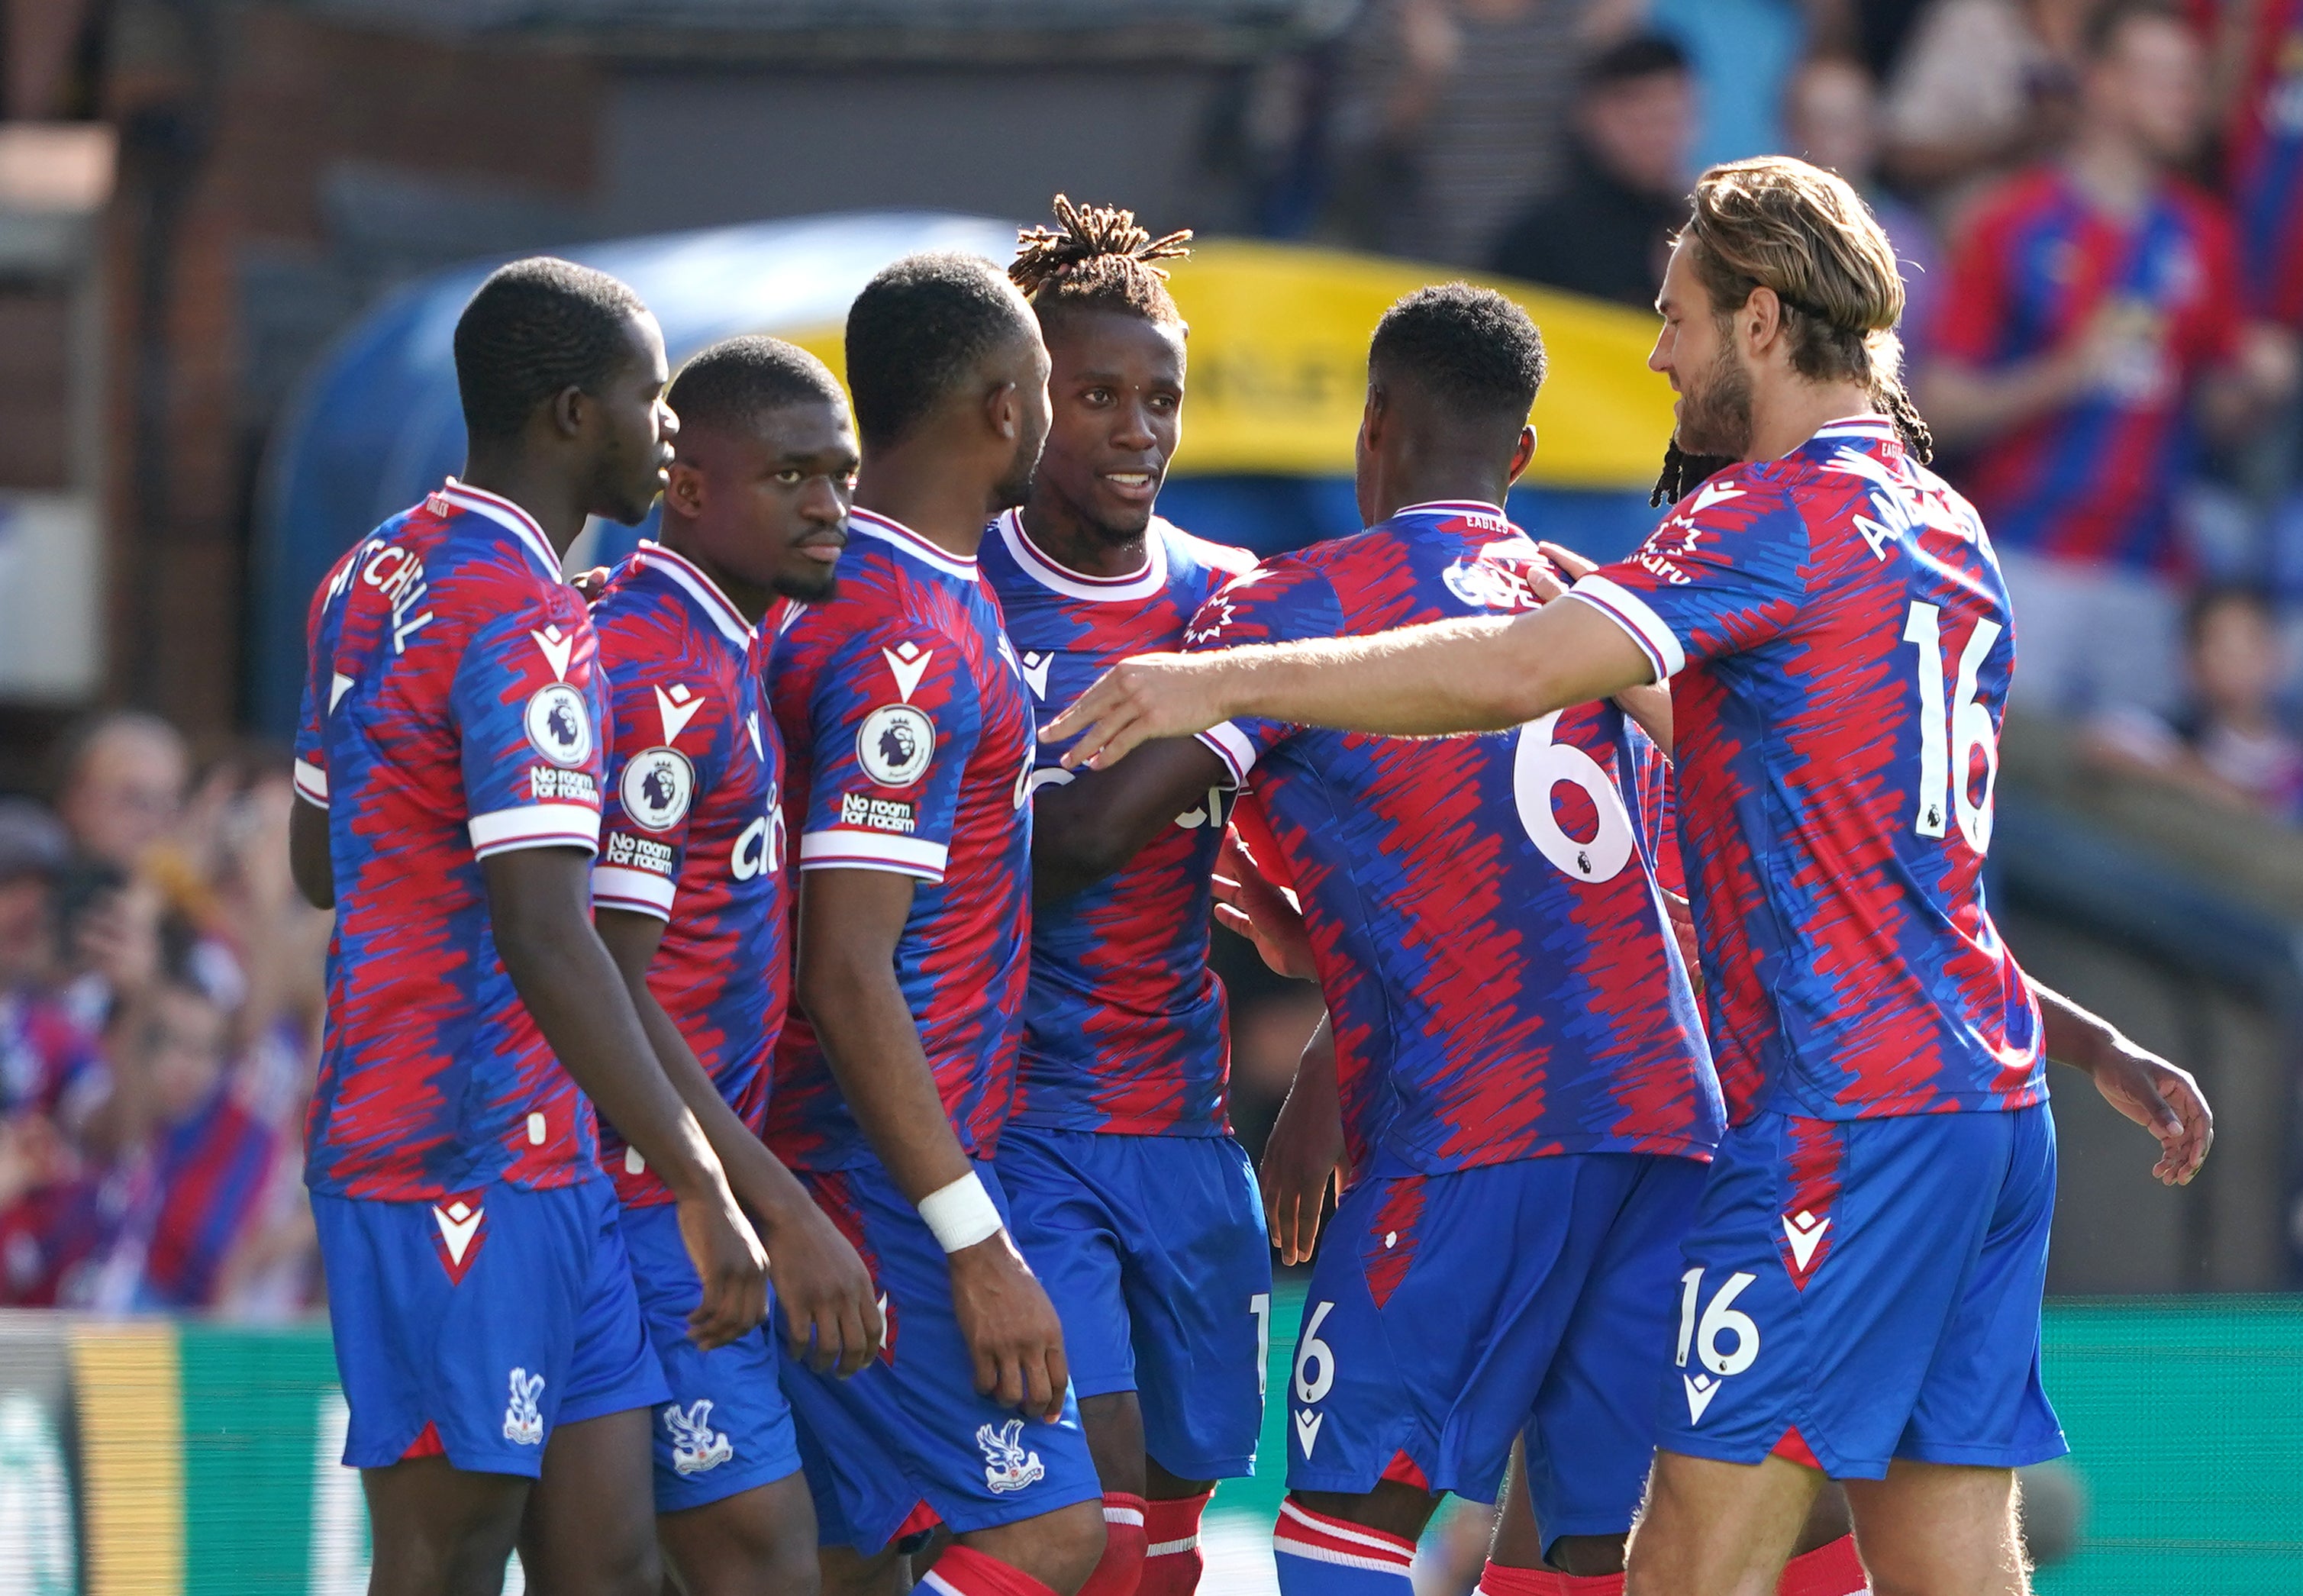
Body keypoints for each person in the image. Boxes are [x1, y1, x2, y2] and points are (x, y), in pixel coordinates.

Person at [1041, 156, 2214, 1596]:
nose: (1658, 351)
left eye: (1676, 316)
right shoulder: (1940, 524)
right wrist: (2084, 1035)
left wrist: (1206, 677)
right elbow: (1881, 850)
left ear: (1764, 320)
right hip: (1983, 1104)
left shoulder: (1759, 519)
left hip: (1834, 1121)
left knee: (1679, 1570)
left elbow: (1518, 674)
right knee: (1948, 1559)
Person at [287, 256, 769, 1596]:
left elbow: (319, 857)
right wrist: (702, 1181)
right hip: (448, 1150)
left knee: (607, 1563)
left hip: (535, 1163)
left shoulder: (363, 575)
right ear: (571, 414)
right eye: (650, 393)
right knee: (446, 1560)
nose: (668, 426)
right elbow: (548, 932)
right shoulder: (529, 618)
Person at [765, 251, 1105, 1596]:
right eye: (1048, 388)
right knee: (1044, 1532)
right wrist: (975, 1245)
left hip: (876, 1162)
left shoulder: (897, 594)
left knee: (856, 1557)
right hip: (871, 1173)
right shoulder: (902, 634)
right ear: (999, 405)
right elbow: (845, 969)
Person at [979, 196, 1267, 1596]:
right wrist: (1220, 721)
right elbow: (1063, 848)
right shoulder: (955, 593)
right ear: (1022, 404)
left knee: (1162, 1562)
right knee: (1072, 1540)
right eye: (1096, 396)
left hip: (1186, 1121)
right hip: (1022, 1122)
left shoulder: (1230, 597)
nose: (1136, 429)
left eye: (1160, 397)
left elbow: (1319, 833)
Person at [585, 334, 885, 1596]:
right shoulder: (658, 672)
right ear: (688, 483)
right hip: (639, 1200)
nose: (829, 510)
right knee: (754, 1557)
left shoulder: (724, 645)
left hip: (670, 1190)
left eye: (841, 475)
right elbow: (606, 973)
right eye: (791, 478)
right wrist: (773, 1202)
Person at [1921, 0, 2287, 717]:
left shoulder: (2204, 235)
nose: (2185, 95)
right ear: (2101, 85)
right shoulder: (2010, 221)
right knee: (1989, 793)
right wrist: (2061, 377)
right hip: (2024, 554)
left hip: (2149, 568)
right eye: (2161, 76)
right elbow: (1934, 404)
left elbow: (2210, 415)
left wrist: (2257, 387)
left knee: (2123, 807)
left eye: (2189, 77)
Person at [1490, 34, 1697, 308]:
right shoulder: (1541, 243)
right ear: (1592, 114)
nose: (1655, 136)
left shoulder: (1704, 233)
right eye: (1638, 119)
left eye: (1668, 117)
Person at [2082, 582, 2303, 820]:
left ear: (2279, 655)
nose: (2239, 662)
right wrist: (2214, 787)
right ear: (2191, 663)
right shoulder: (2176, 734)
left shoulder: (2291, 755)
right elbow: (2100, 746)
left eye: (2251, 644)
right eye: (2222, 649)